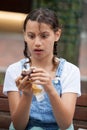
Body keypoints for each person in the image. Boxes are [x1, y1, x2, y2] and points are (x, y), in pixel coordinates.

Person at [3, 8, 81, 130]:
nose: (37, 43)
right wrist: (27, 94)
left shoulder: (70, 71)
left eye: (44, 36)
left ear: (57, 35)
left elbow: (65, 124)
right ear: (24, 36)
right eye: (31, 36)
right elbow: (18, 126)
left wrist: (50, 89)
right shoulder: (14, 70)